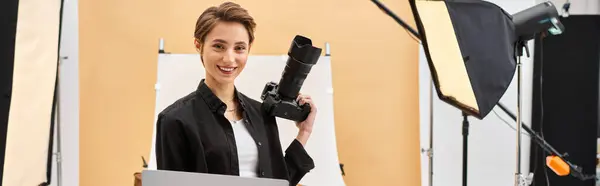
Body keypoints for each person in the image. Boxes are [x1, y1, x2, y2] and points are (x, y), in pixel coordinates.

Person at [154, 2, 316, 185]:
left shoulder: (261, 113)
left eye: (239, 48)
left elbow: (279, 181)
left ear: (249, 48)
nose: (229, 59)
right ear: (198, 45)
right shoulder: (174, 120)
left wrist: (304, 132)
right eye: (219, 46)